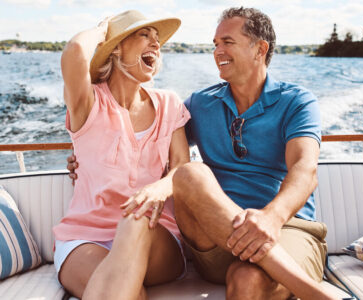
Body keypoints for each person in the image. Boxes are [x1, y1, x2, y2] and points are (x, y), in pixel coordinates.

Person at [67, 7, 339, 300]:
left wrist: (271, 218)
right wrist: (85, 158)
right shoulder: (200, 103)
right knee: (190, 173)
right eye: (215, 44)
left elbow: (304, 169)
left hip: (286, 226)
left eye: (227, 42)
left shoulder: (297, 102)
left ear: (260, 49)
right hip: (214, 239)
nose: (217, 51)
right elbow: (149, 142)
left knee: (247, 280)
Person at [53, 10, 191, 300]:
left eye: (158, 41)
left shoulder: (170, 104)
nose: (156, 45)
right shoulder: (88, 103)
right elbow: (76, 51)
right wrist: (104, 30)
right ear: (116, 47)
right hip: (85, 237)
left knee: (137, 218)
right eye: (144, 35)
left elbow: (181, 166)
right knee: (130, 294)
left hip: (155, 234)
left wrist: (159, 187)